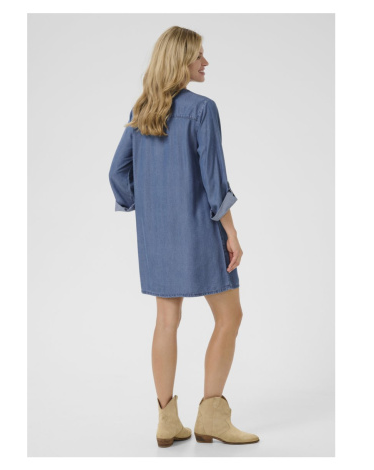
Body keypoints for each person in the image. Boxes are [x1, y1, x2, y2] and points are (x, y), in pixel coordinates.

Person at [109, 26, 260, 447]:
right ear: (180, 61)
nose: (205, 62)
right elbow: (215, 180)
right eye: (198, 56)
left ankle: (166, 422)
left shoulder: (143, 109)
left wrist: (148, 207)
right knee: (229, 317)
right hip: (200, 230)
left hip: (157, 234)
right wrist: (231, 233)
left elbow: (116, 172)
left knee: (166, 321)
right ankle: (212, 417)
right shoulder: (202, 109)